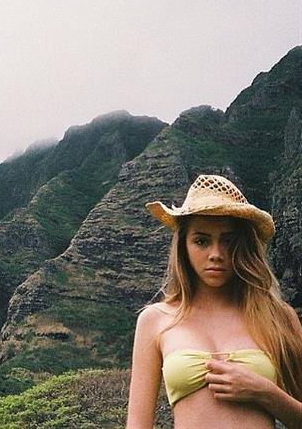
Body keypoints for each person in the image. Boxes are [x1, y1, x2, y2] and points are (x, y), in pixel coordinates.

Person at [126, 174, 302, 429]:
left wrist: (265, 393)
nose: (216, 254)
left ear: (243, 246)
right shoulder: (155, 320)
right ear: (183, 246)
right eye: (201, 241)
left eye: (228, 241)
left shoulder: (279, 317)